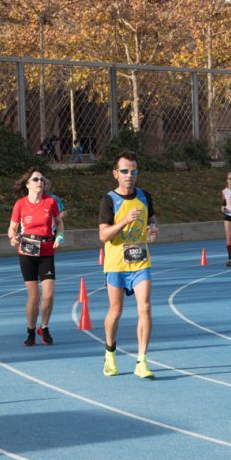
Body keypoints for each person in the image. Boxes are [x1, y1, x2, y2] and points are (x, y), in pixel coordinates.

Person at [100, 152, 157, 379]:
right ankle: (110, 354)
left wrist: (152, 230)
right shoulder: (108, 200)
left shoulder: (145, 196)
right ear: (116, 174)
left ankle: (142, 360)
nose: (129, 175)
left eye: (133, 171)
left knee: (144, 307)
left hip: (140, 261)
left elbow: (151, 220)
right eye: (124, 171)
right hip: (116, 264)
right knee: (116, 310)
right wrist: (124, 221)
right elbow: (103, 235)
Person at [9, 168, 63, 346]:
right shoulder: (20, 204)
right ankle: (31, 331)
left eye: (41, 179)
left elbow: (59, 222)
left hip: (47, 251)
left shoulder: (50, 202)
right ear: (28, 184)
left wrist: (60, 236)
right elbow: (12, 227)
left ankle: (44, 327)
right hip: (27, 252)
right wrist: (13, 237)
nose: (40, 182)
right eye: (35, 179)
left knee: (48, 295)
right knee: (34, 296)